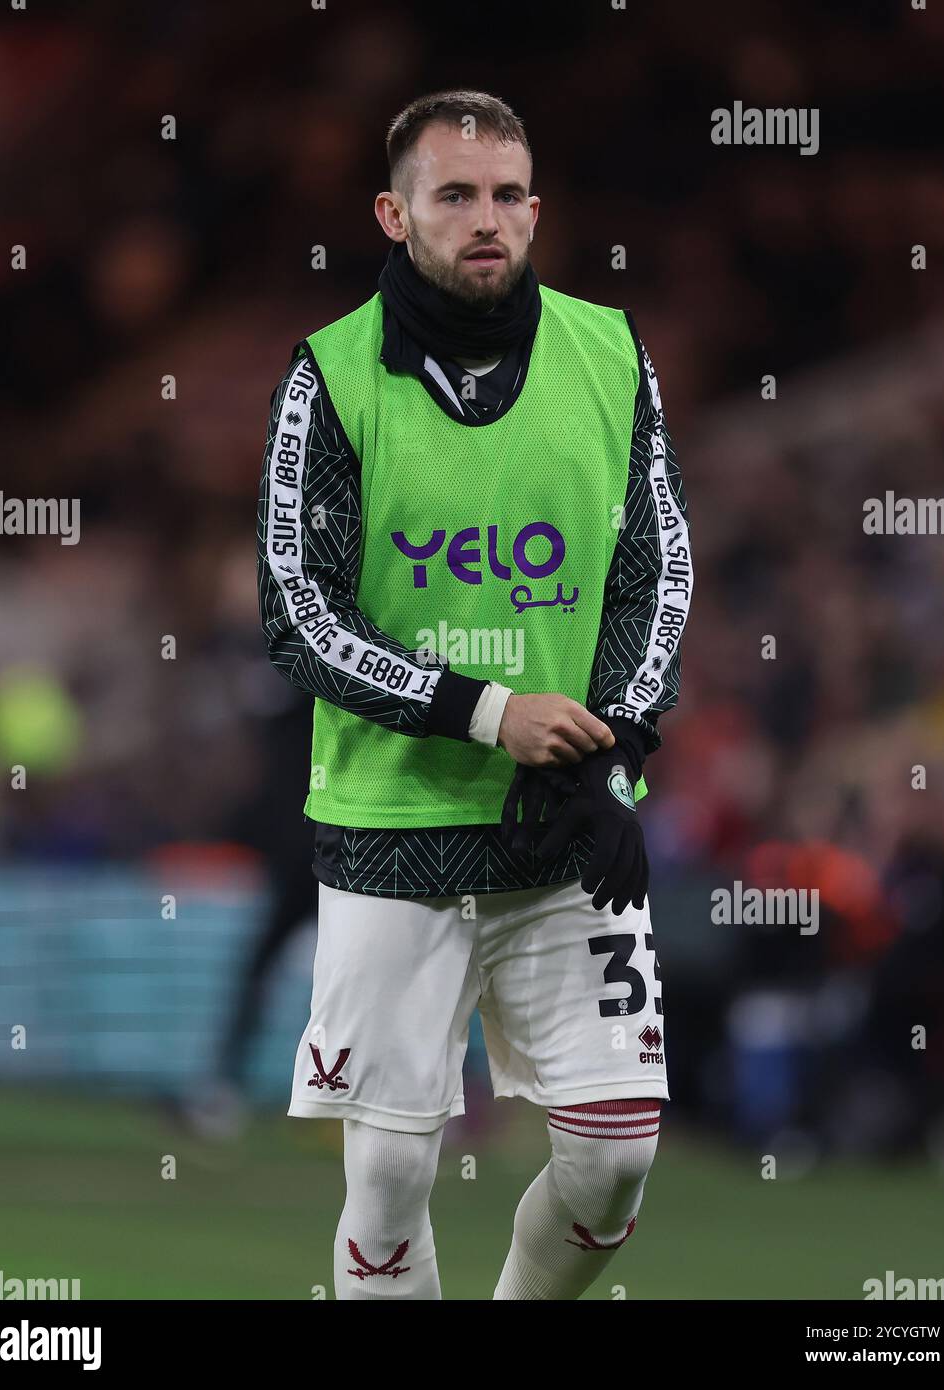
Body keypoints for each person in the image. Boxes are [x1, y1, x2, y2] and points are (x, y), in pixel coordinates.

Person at [256, 89, 693, 1300]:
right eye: (454, 195)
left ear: (536, 209)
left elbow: (655, 571)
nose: (485, 219)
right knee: (392, 1174)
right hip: (392, 829)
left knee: (614, 1159)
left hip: (560, 823)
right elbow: (296, 609)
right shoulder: (330, 377)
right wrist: (490, 711)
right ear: (396, 214)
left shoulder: (610, 352)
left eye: (506, 195)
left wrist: (611, 759)